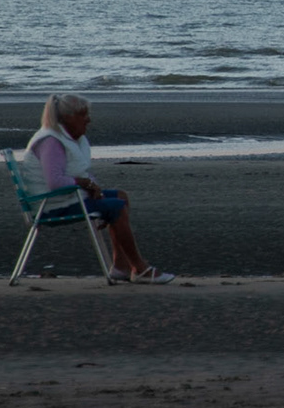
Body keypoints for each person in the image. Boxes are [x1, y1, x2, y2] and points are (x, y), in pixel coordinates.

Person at [23, 93, 174, 284]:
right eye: (83, 115)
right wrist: (84, 183)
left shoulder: (67, 138)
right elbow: (55, 182)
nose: (88, 120)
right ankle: (140, 268)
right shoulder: (51, 141)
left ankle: (121, 266)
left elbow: (80, 171)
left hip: (68, 199)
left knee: (120, 196)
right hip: (52, 205)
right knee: (115, 206)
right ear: (68, 118)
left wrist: (94, 187)